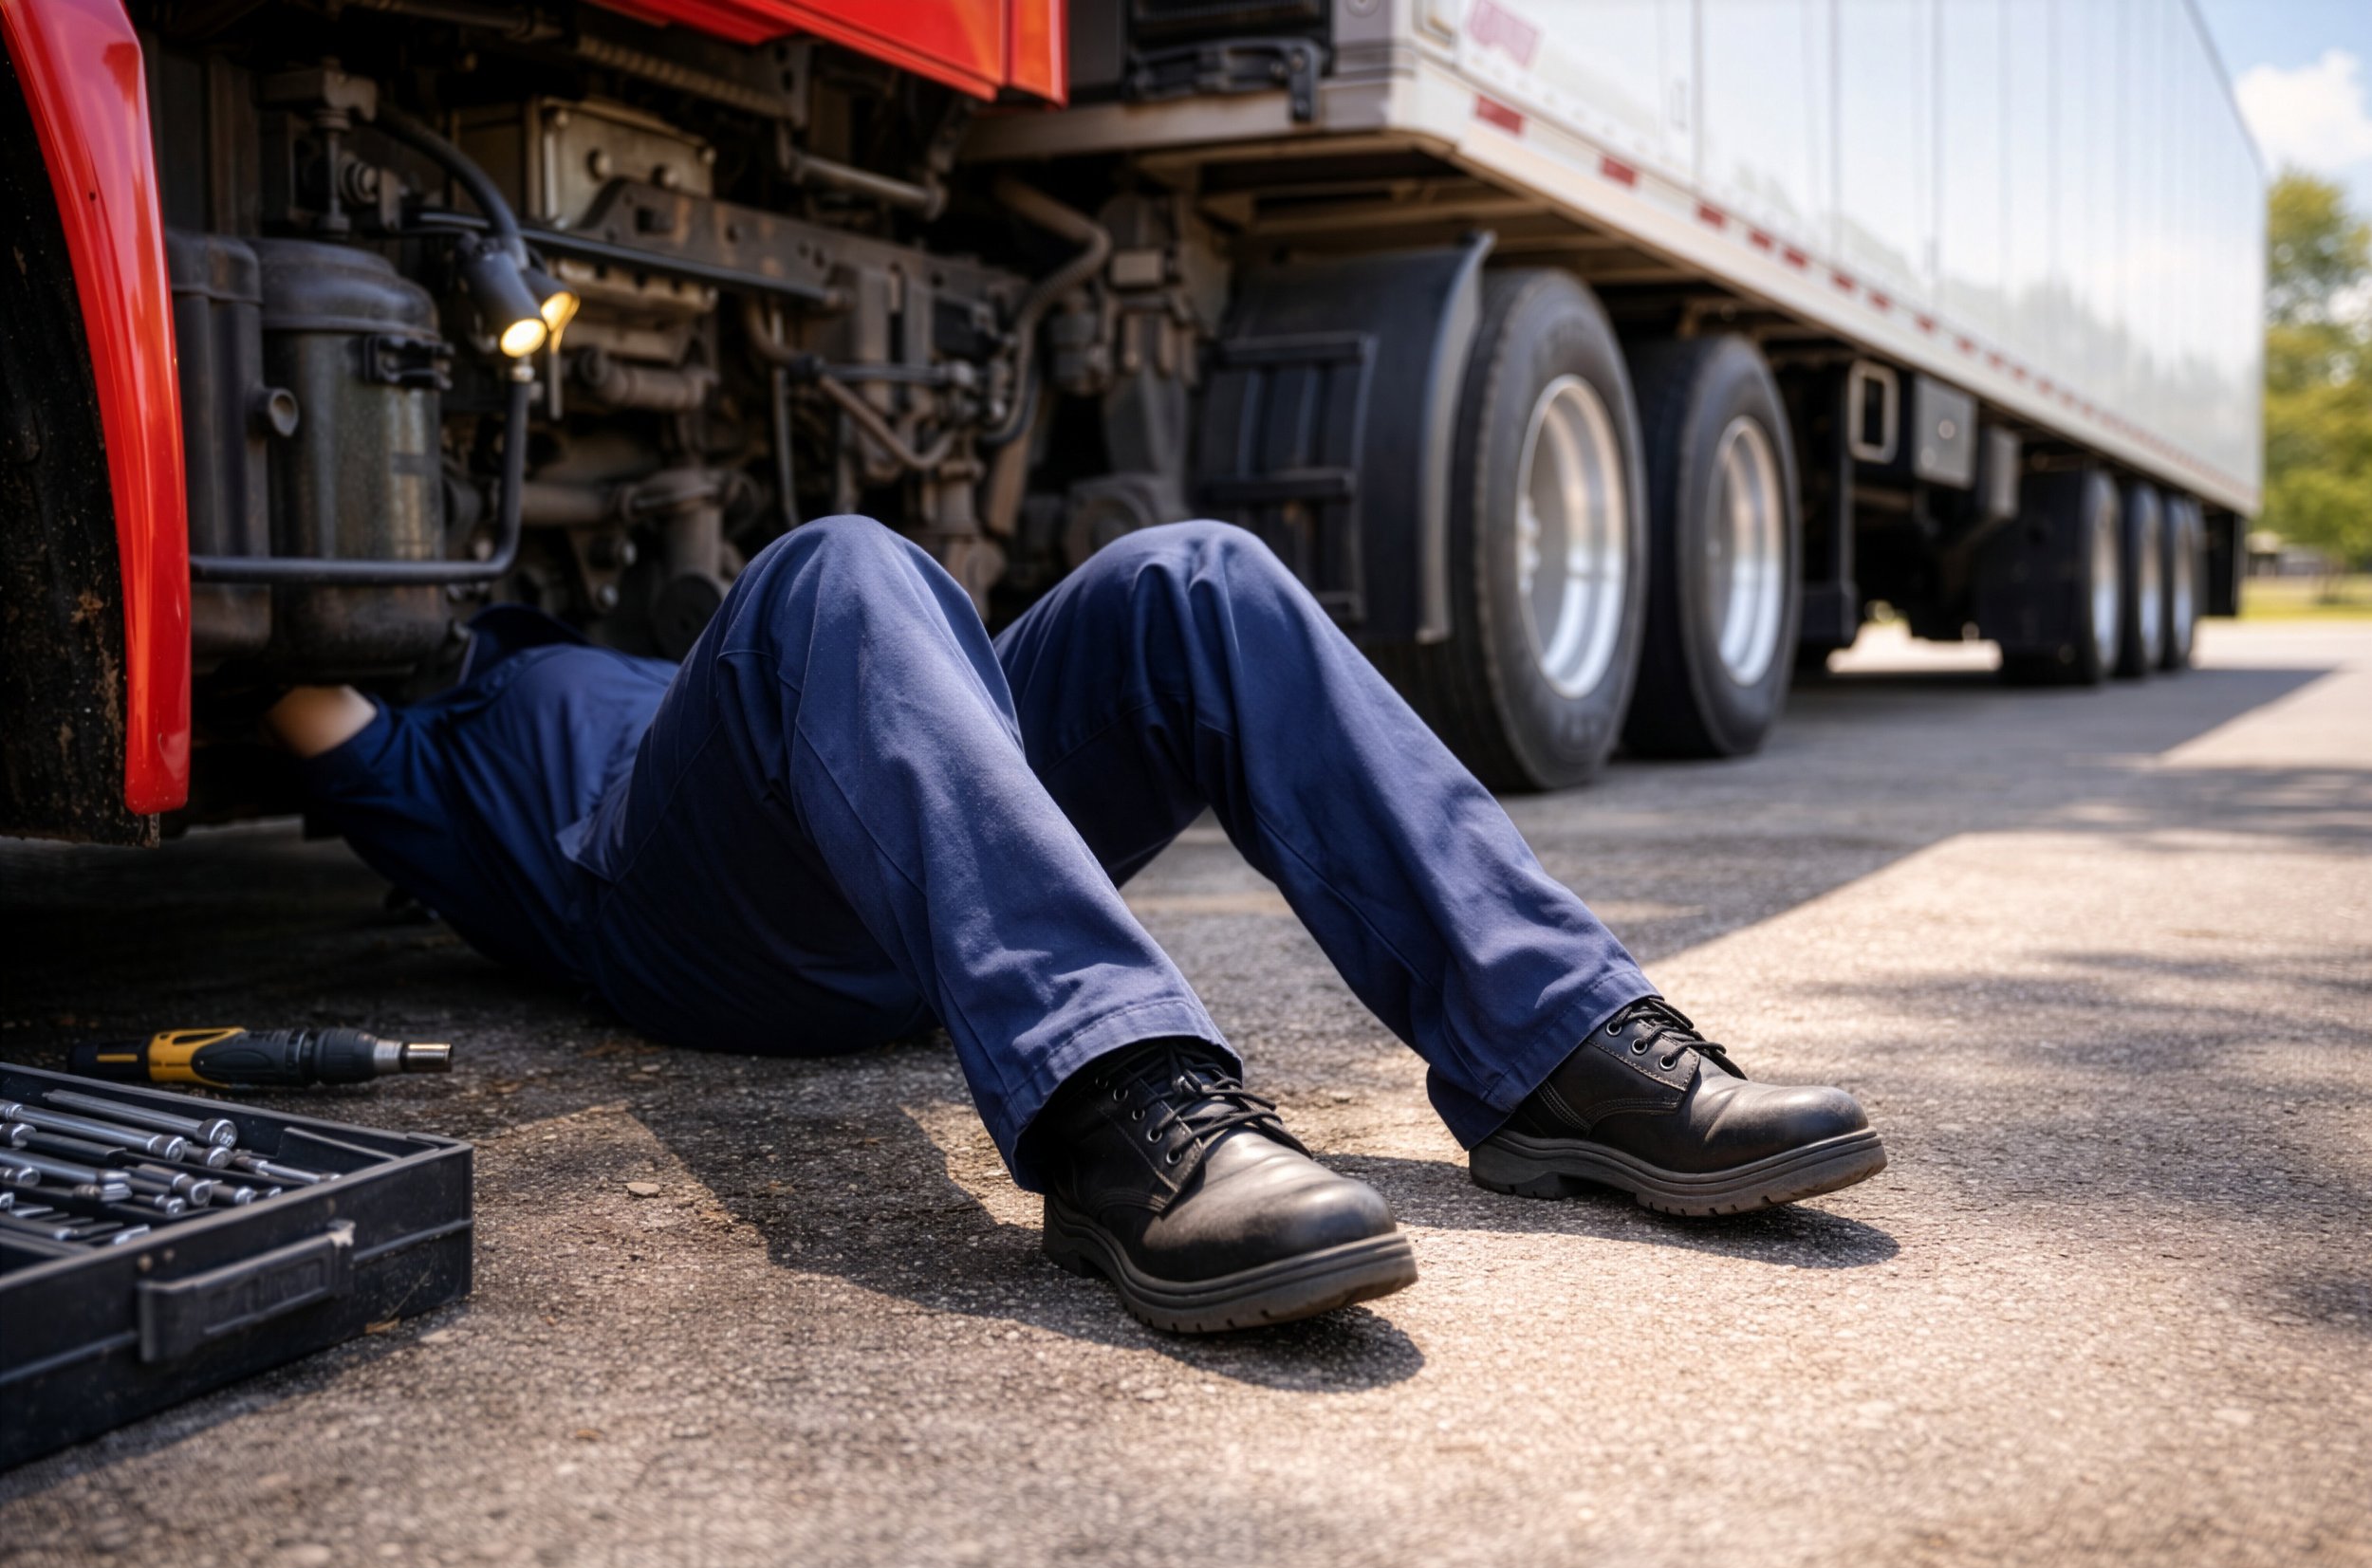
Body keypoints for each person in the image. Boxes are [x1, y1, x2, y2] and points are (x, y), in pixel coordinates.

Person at [269, 517, 1885, 1333]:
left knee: (1197, 574)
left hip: (894, 831)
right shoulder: (439, 746)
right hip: (701, 921)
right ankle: (1122, 1104)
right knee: (835, 562)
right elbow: (300, 696)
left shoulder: (617, 646)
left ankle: (1558, 1049)